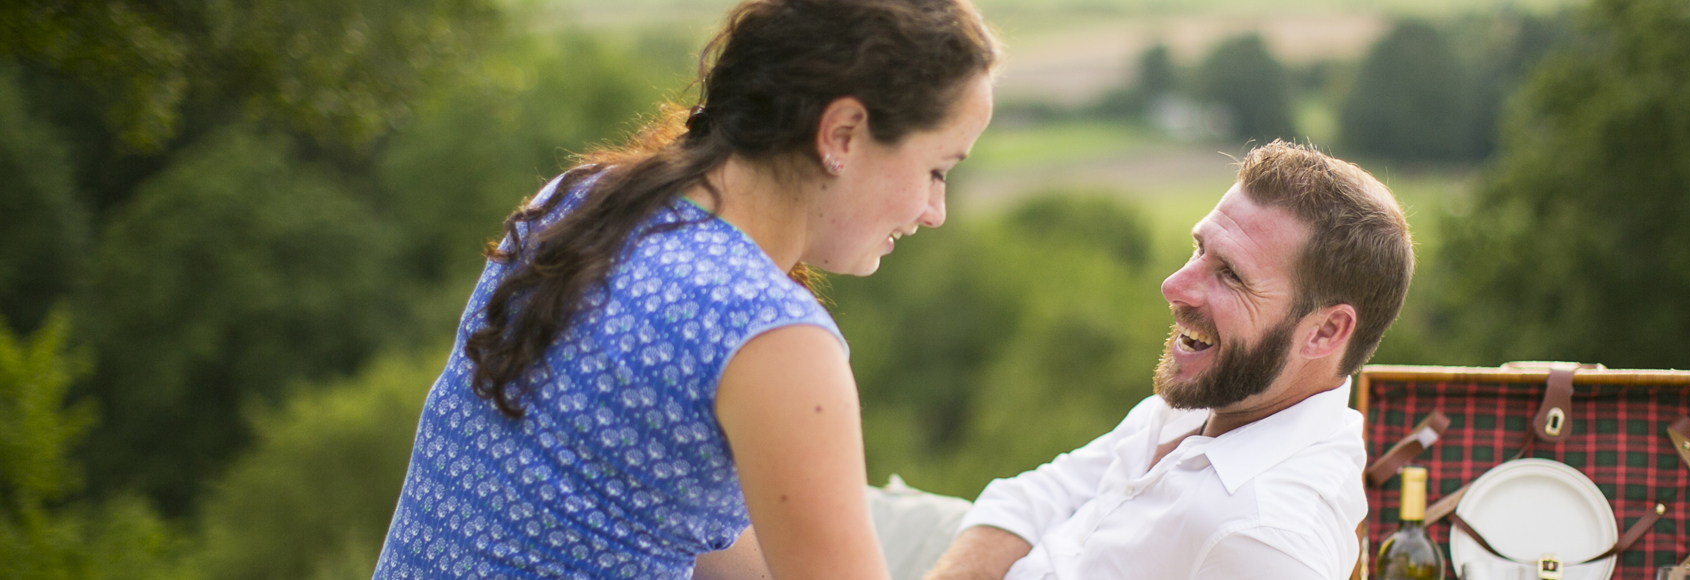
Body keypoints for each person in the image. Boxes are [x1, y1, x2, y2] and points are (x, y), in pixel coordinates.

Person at [371, 0, 999, 578]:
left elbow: (662, 522)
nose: (934, 210)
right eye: (936, 170)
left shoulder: (579, 201)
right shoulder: (772, 336)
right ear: (842, 134)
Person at [922, 141, 1414, 580]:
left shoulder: (1267, 536)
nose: (1174, 286)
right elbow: (1037, 497)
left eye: (1232, 275)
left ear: (1325, 332)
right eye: (1199, 248)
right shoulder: (1225, 392)